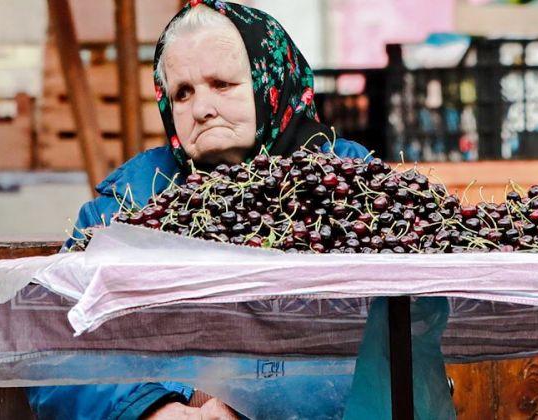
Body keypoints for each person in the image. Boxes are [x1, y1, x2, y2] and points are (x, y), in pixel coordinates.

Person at [27, 2, 454, 419]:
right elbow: (52, 346)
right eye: (183, 92)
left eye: (222, 84)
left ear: (273, 80)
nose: (201, 108)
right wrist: (158, 408)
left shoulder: (352, 189)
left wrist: (258, 400)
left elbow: (403, 340)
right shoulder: (132, 199)